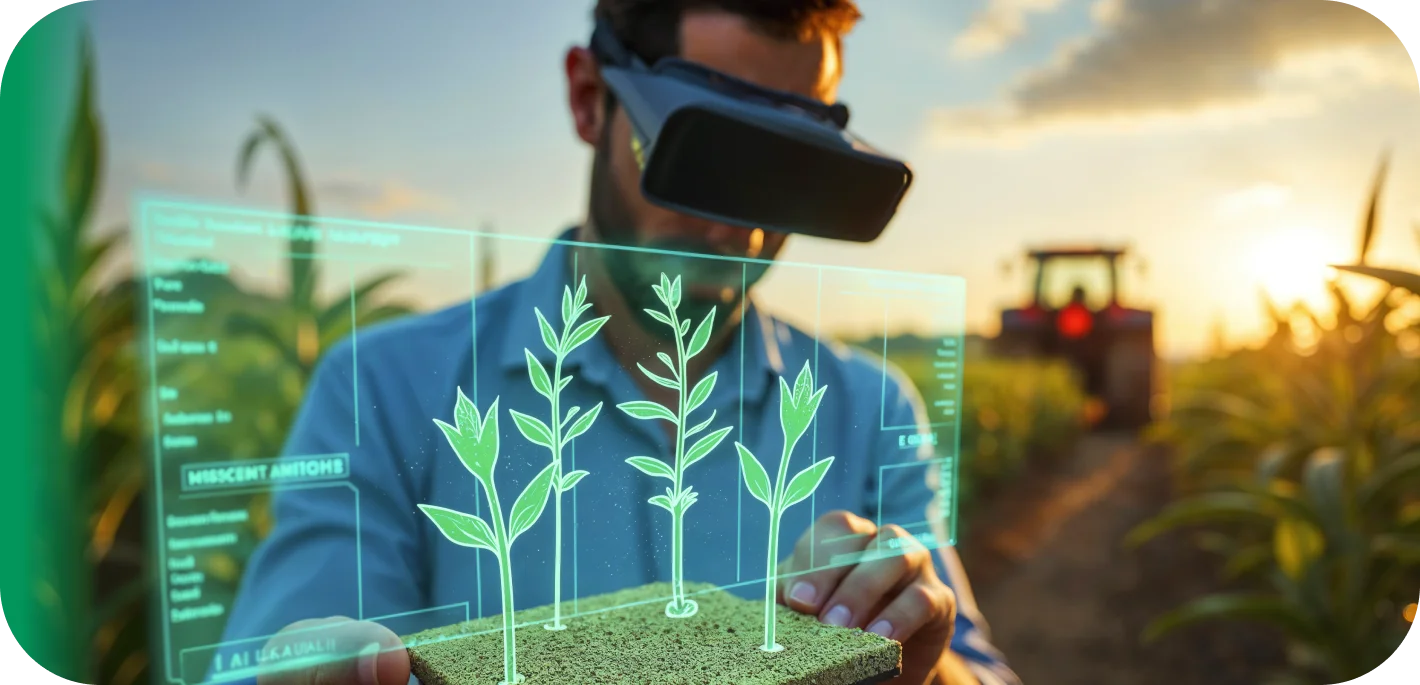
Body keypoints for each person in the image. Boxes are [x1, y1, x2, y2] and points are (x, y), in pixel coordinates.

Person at [218, 2, 1020, 684]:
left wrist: (924, 660)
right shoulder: (385, 390)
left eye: (780, 167)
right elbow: (294, 646)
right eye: (699, 154)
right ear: (588, 97)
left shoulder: (869, 407)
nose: (732, 222)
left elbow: (978, 669)